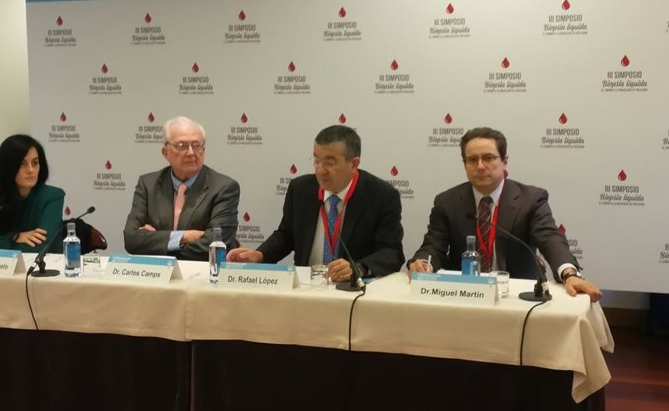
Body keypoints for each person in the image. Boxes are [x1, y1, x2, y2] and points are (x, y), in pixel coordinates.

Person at [408, 127, 603, 302]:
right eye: (472, 160)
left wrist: (569, 274)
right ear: (464, 164)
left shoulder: (531, 199)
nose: (480, 166)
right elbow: (433, 245)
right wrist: (424, 263)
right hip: (462, 294)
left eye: (488, 158)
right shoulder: (447, 201)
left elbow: (550, 238)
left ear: (505, 161)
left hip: (515, 295)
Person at [227, 125, 404, 284]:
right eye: (317, 160)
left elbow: (391, 253)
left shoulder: (381, 195)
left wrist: (358, 268)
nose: (320, 170)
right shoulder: (301, 189)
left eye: (329, 163)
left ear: (354, 164)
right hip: (306, 288)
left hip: (351, 290)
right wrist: (260, 255)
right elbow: (286, 236)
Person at [123, 116, 240, 260]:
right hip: (157, 273)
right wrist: (184, 236)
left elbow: (215, 244)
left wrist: (156, 242)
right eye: (182, 145)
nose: (191, 152)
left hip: (201, 272)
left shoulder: (223, 187)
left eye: (196, 145)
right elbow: (131, 239)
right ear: (165, 153)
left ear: (203, 150)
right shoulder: (148, 184)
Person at [0, 134, 66, 253]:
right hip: (1, 263)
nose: (31, 170)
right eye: (22, 163)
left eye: (35, 163)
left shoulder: (52, 196)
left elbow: (39, 248)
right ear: (8, 167)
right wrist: (14, 237)